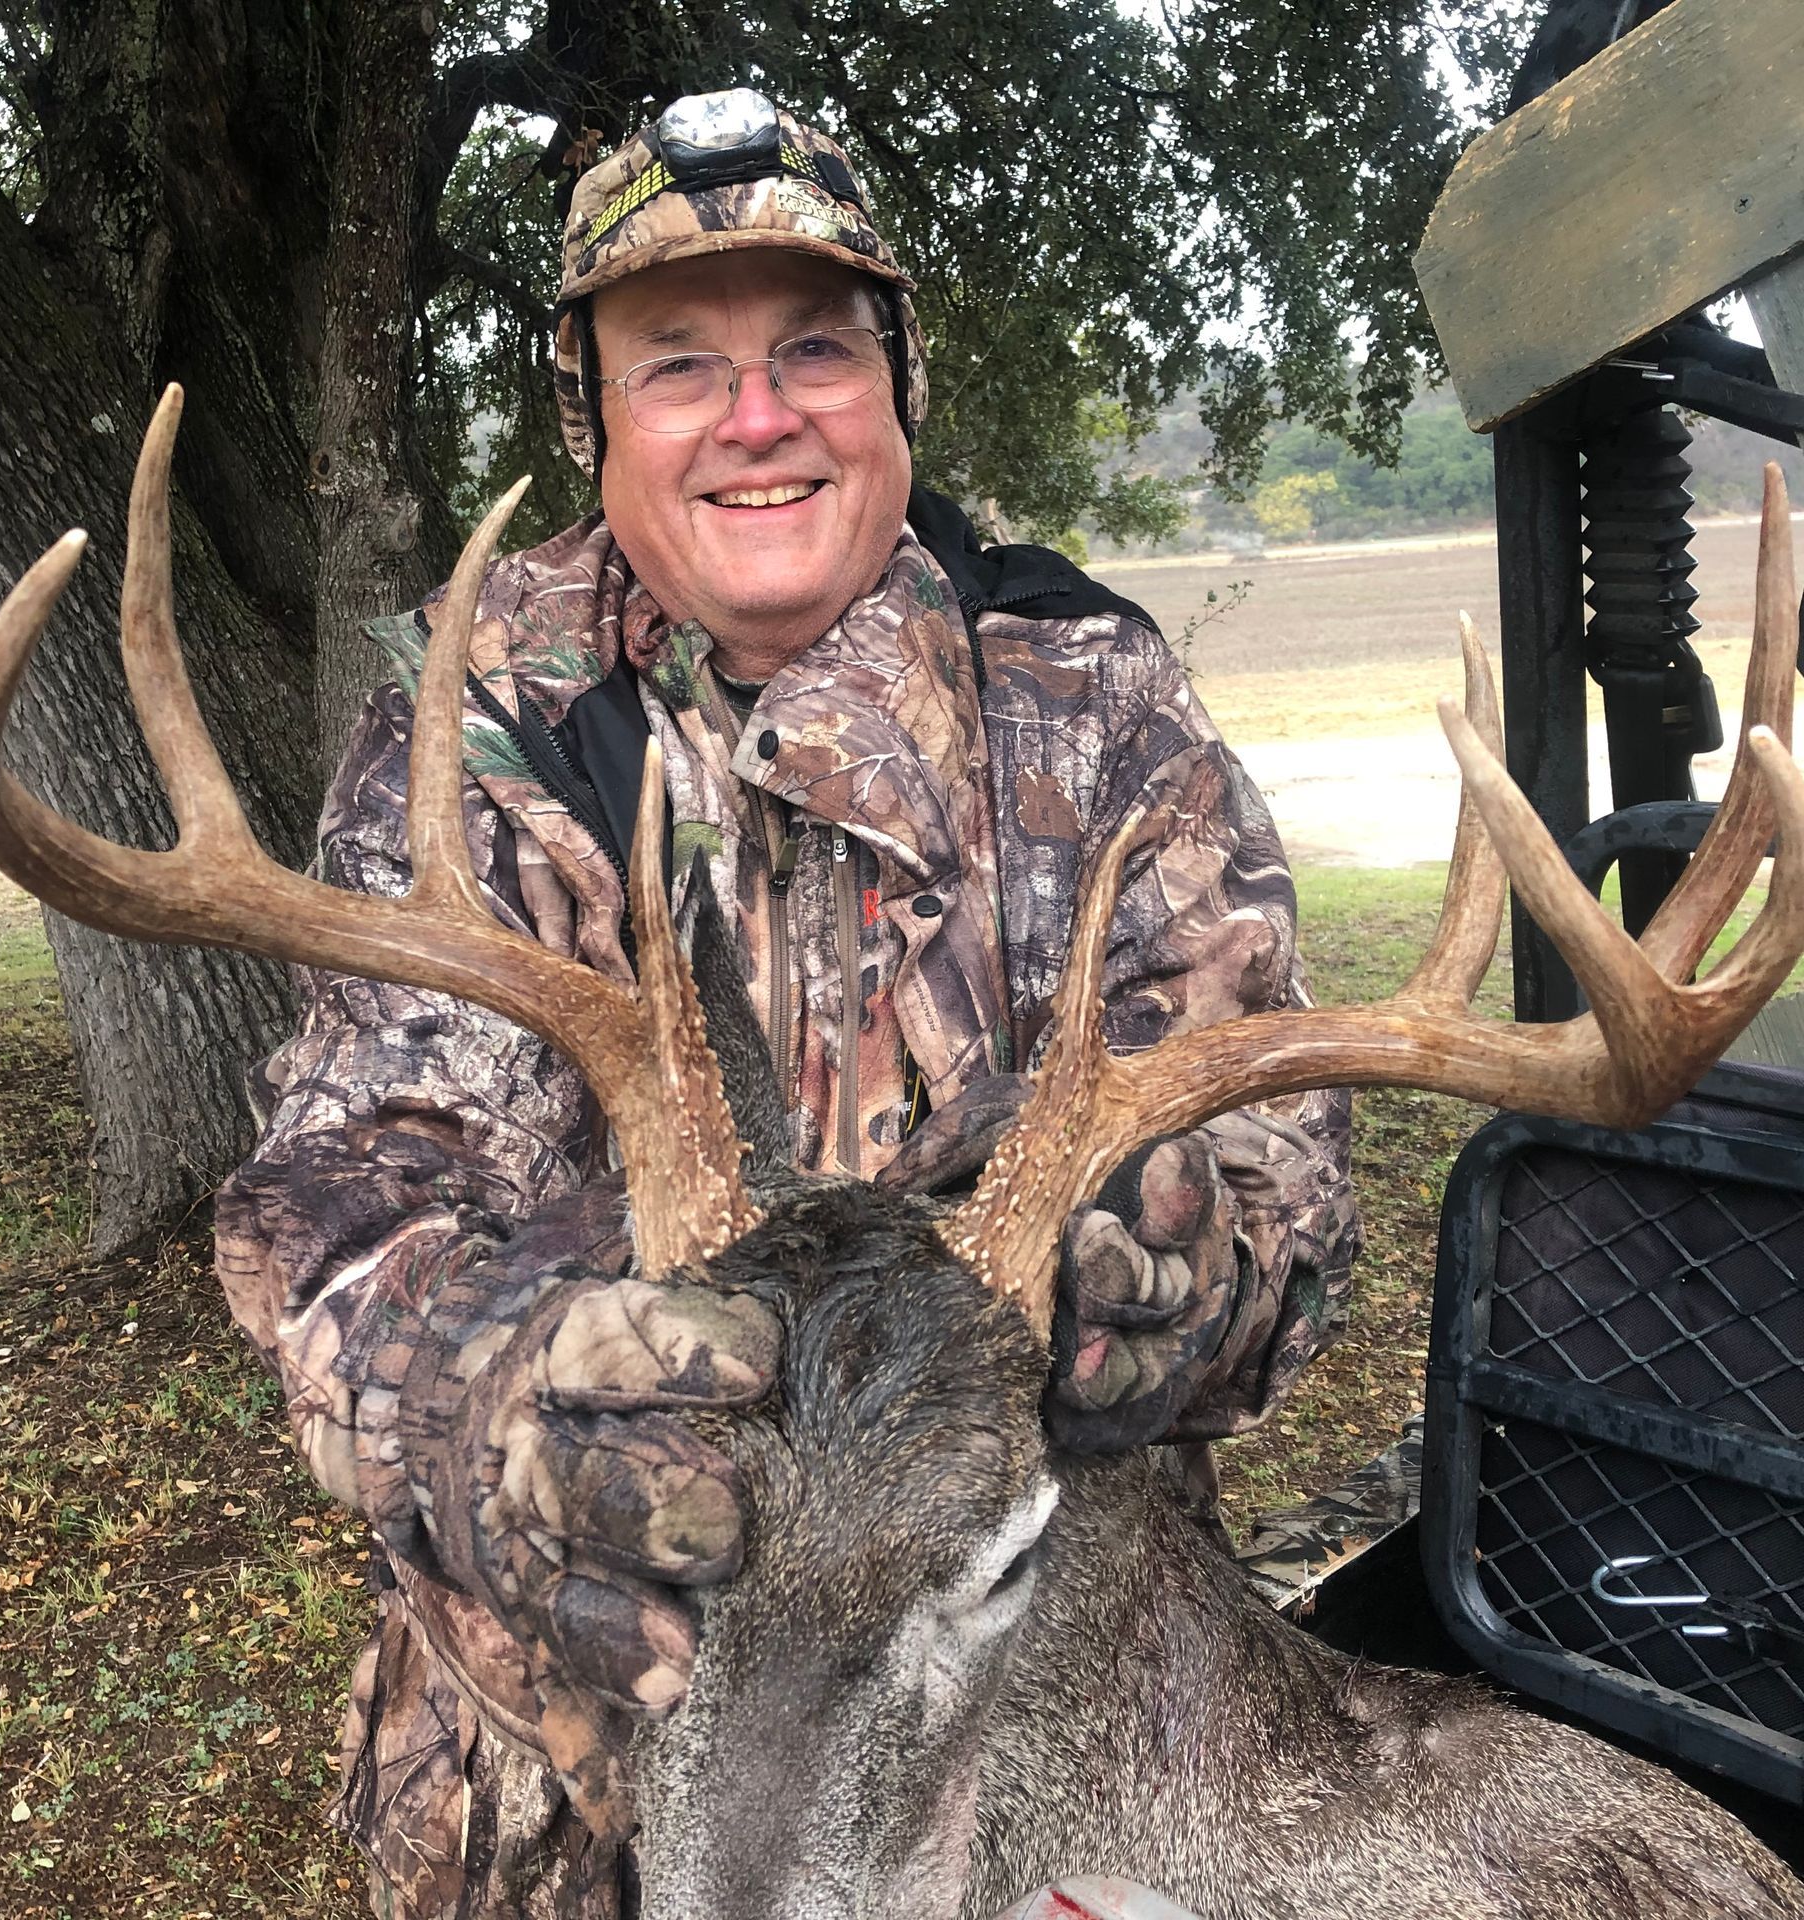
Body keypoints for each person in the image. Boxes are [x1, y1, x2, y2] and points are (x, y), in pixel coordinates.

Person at [214, 89, 1359, 1920]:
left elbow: (1282, 1187)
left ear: (896, 387)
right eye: (679, 364)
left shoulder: (1094, 701)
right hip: (581, 1747)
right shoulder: (476, 734)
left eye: (812, 348)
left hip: (1017, 1720)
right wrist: (513, 1386)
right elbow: (342, 1208)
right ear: (592, 419)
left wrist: (1169, 1263)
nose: (758, 417)